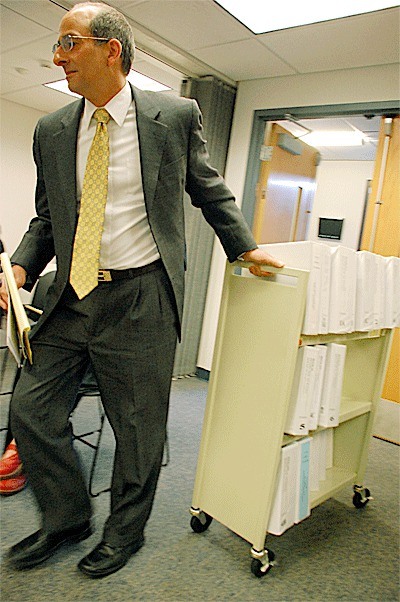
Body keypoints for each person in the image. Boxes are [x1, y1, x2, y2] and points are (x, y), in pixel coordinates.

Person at [0, 1, 283, 578]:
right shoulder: (52, 128)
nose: (58, 56)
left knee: (136, 430)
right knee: (28, 410)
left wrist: (243, 245)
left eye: (69, 42)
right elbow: (48, 217)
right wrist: (23, 268)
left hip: (142, 299)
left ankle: (122, 534)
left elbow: (207, 186)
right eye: (57, 45)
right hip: (71, 298)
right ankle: (66, 519)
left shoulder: (173, 115)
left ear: (112, 50)